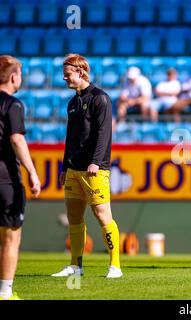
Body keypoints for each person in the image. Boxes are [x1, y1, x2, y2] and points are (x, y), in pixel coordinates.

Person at [52, 54, 122, 278]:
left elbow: (104, 134)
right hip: (73, 169)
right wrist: (65, 167)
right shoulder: (72, 103)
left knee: (102, 215)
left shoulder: (100, 99)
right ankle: (75, 266)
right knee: (74, 216)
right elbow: (70, 137)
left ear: (80, 72)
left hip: (95, 169)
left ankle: (115, 266)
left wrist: (95, 161)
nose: (64, 78)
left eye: (67, 73)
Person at [0, 55, 41, 300]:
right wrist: (33, 172)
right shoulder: (13, 105)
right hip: (5, 179)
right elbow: (17, 139)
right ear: (14, 77)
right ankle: (4, 292)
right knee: (10, 237)